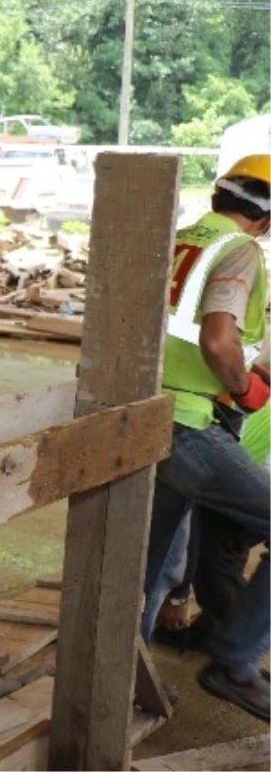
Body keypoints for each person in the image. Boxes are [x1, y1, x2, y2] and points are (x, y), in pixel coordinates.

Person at [140, 155, 271, 720]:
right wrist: (243, 387)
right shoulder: (240, 250)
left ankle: (118, 678)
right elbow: (219, 342)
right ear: (265, 219)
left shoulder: (174, 242)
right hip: (190, 424)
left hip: (145, 418)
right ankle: (235, 659)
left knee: (140, 566)